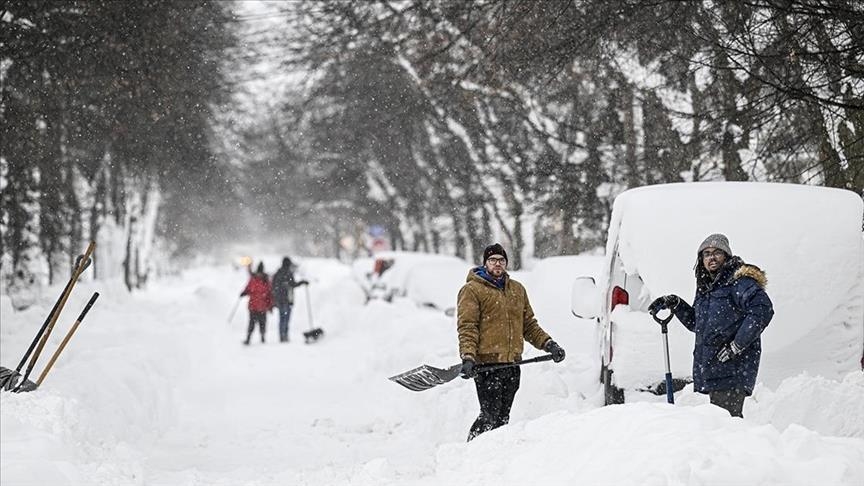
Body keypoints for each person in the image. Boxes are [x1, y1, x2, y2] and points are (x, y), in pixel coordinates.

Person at [649, 233, 774, 418]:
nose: (711, 257)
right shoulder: (708, 288)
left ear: (727, 256)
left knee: (727, 429)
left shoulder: (739, 282)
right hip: (715, 370)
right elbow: (698, 324)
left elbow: (763, 310)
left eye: (717, 252)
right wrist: (676, 304)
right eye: (706, 253)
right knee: (722, 427)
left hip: (732, 370)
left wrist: (736, 346)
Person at [457, 243, 566, 441]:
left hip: (512, 364)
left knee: (502, 418)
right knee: (489, 416)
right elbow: (467, 327)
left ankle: (495, 454)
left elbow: (529, 325)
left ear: (506, 263)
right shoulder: (472, 290)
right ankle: (470, 452)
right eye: (493, 260)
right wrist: (468, 357)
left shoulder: (517, 289)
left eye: (501, 260)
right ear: (485, 263)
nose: (497, 264)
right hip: (487, 366)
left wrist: (549, 344)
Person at [270, 257, 308, 343]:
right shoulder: (288, 273)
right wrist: (302, 282)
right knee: (286, 318)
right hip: (288, 299)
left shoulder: (278, 274)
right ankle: (285, 335)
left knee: (282, 318)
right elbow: (293, 284)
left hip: (280, 300)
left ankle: (282, 335)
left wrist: (275, 297)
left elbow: (273, 287)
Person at [241, 262, 274, 345]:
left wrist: (270, 306)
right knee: (251, 323)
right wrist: (244, 293)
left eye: (261, 273)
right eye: (259, 273)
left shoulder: (266, 281)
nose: (260, 275)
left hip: (262, 307)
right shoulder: (253, 279)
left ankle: (262, 338)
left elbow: (269, 295)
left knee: (262, 324)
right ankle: (248, 339)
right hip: (253, 306)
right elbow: (248, 288)